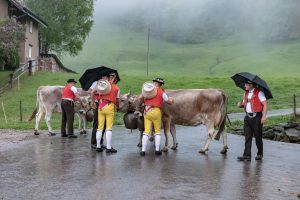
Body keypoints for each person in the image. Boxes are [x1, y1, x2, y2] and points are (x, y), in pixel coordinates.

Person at [138, 77, 173, 156]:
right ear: (160, 85)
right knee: (157, 131)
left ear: (154, 83)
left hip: (147, 111)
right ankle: (157, 150)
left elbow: (140, 98)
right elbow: (169, 101)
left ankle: (143, 151)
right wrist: (171, 99)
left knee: (146, 131)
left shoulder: (147, 90)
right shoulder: (161, 92)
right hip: (156, 111)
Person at [237, 80, 268, 161]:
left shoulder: (259, 93)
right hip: (247, 117)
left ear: (251, 85)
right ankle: (247, 156)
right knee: (247, 136)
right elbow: (244, 104)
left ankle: (260, 154)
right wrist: (240, 104)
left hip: (257, 117)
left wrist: (264, 117)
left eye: (246, 84)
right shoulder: (246, 93)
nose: (245, 85)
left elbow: (265, 104)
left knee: (258, 136)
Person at [93, 73, 120, 153]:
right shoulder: (116, 88)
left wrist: (93, 102)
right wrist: (117, 107)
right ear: (115, 79)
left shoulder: (101, 85)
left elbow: (92, 93)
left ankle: (98, 146)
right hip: (109, 106)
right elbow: (117, 100)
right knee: (109, 128)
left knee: (99, 127)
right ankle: (108, 147)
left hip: (100, 106)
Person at [89, 76, 108, 149]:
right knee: (96, 123)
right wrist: (93, 101)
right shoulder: (96, 83)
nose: (107, 78)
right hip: (96, 104)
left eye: (107, 77)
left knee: (104, 123)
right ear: (102, 76)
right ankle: (94, 142)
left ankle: (100, 141)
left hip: (104, 104)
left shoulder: (107, 84)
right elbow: (90, 91)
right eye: (106, 77)